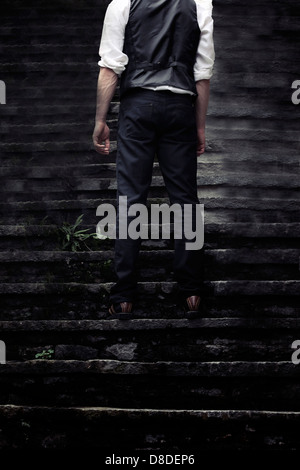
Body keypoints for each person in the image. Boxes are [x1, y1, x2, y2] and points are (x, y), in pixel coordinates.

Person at [93, 0, 215, 319]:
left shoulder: (122, 3)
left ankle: (123, 297)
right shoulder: (199, 4)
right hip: (180, 108)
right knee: (185, 199)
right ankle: (191, 293)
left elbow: (110, 67)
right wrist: (199, 126)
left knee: (130, 199)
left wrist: (100, 120)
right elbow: (202, 74)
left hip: (138, 106)